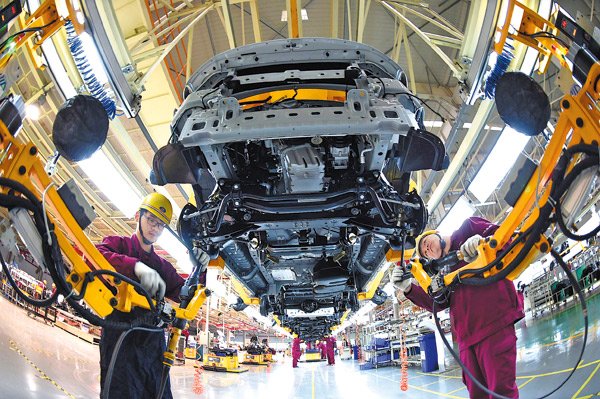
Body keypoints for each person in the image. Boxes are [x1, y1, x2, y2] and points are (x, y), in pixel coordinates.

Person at [393, 217, 524, 399]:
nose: (427, 249)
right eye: (424, 252)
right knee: (476, 394)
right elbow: (437, 302)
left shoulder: (468, 228)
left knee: (501, 391)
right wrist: (408, 288)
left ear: (436, 233)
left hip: (494, 325)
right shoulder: (442, 273)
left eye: (426, 242)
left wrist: (482, 243)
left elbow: (507, 240)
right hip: (465, 340)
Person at [96, 193, 209, 399]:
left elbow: (185, 293)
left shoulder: (162, 267)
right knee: (120, 393)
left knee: (157, 394)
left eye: (161, 225)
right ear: (138, 215)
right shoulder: (119, 245)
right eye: (151, 220)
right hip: (121, 337)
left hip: (153, 342)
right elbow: (96, 256)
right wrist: (134, 267)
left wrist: (200, 268)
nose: (155, 228)